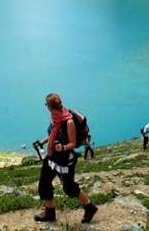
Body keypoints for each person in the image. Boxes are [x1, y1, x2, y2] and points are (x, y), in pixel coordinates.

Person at [33, 93, 98, 223]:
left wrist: (62, 148)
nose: (47, 108)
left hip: (64, 160)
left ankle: (90, 207)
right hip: (52, 156)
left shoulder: (69, 122)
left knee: (69, 188)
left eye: (47, 105)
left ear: (51, 107)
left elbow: (73, 143)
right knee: (44, 183)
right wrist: (43, 142)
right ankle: (49, 213)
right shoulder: (55, 117)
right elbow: (53, 134)